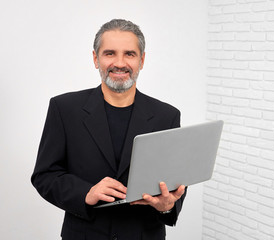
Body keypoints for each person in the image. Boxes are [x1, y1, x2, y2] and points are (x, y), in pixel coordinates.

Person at [31, 19, 186, 240]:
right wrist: (86, 192)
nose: (120, 63)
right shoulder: (64, 109)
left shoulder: (167, 116)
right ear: (96, 58)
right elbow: (45, 175)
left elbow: (175, 183)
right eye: (110, 53)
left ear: (142, 60)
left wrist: (167, 206)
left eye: (130, 54)